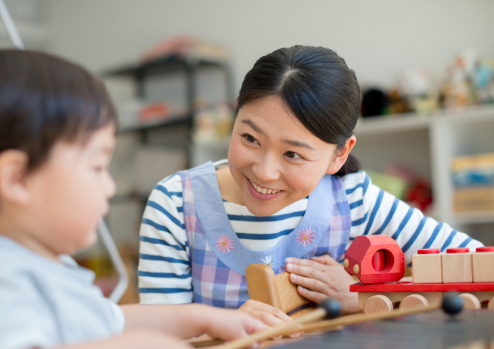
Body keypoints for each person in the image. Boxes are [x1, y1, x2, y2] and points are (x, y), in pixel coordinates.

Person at [0, 48, 271, 349]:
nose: (110, 186)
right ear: (16, 178)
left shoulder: (49, 266)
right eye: (96, 167)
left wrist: (206, 318)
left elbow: (115, 321)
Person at [138, 44, 484, 315]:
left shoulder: (354, 199)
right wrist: (224, 323)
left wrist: (363, 296)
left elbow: (478, 264)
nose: (264, 171)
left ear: (339, 155)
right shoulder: (175, 204)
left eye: (292, 154)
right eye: (249, 139)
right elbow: (162, 340)